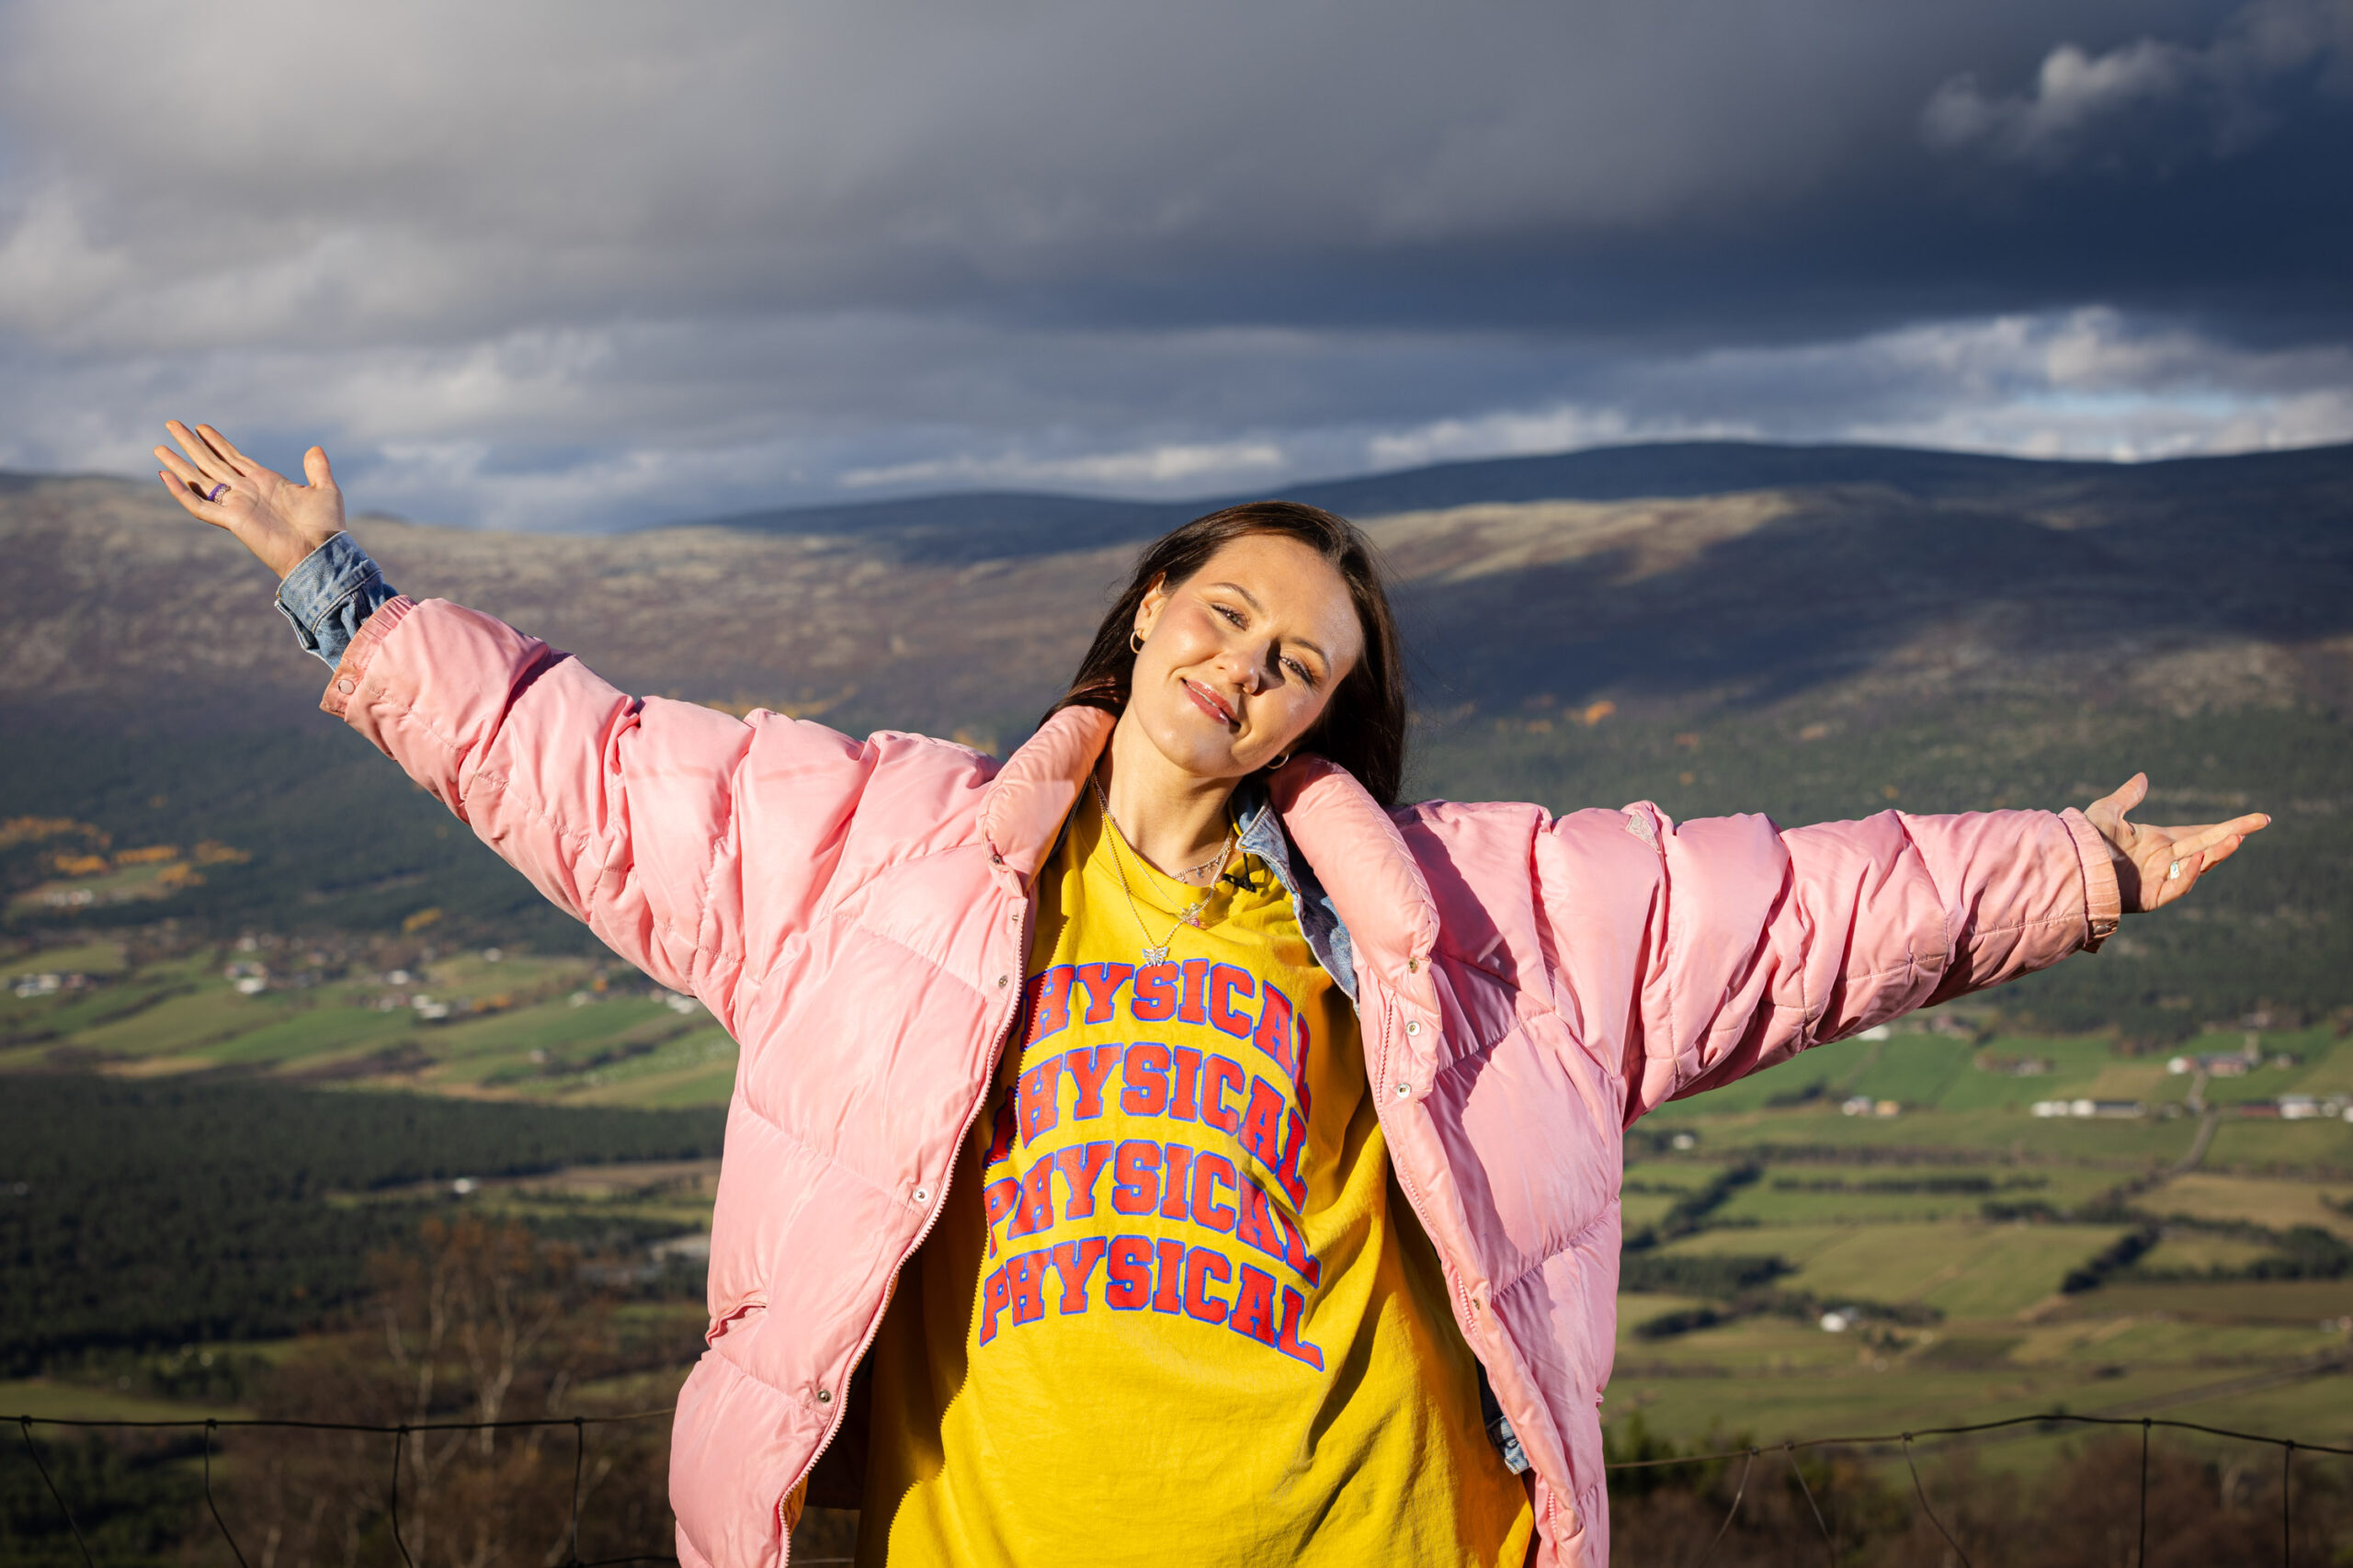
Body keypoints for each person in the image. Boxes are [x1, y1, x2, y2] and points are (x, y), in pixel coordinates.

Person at [157, 419, 2267, 1568]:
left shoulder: (1453, 918)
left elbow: (1784, 910)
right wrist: (334, 589)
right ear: (1148, 605)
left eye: (1299, 660)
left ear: (1316, 719)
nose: (1245, 663)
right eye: (1226, 608)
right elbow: (592, 769)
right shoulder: (876, 858)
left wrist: (2067, 869)